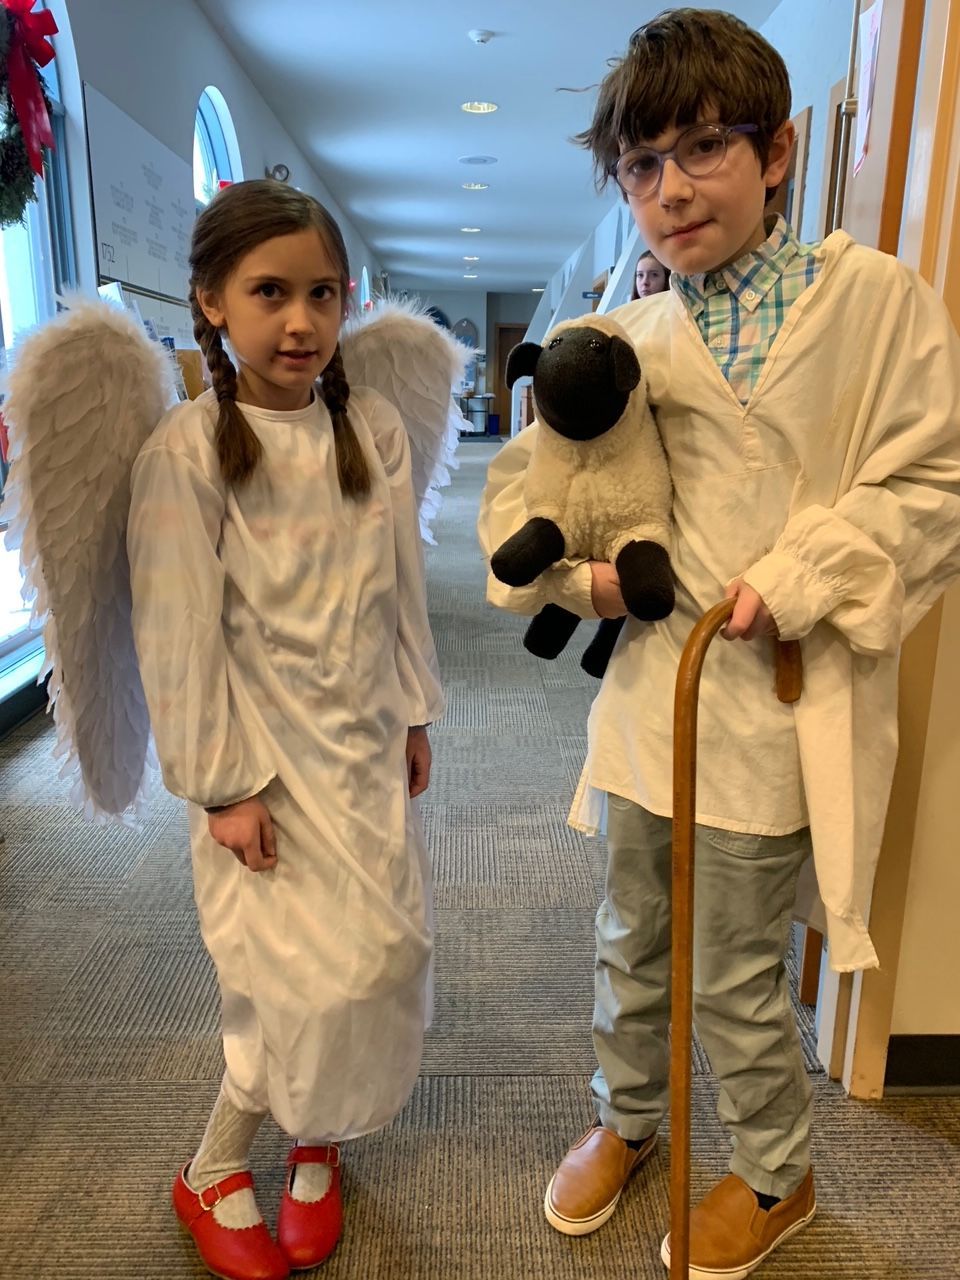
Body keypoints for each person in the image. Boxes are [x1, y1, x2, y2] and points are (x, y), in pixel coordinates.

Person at [478, 9, 960, 1278]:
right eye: (641, 165)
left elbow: (930, 488)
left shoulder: (874, 305)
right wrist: (588, 582)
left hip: (770, 697)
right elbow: (529, 504)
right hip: (652, 695)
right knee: (631, 931)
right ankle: (628, 1118)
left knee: (737, 963)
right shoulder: (621, 340)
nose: (671, 189)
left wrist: (794, 578)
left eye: (702, 148)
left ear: (780, 149)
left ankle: (773, 1169)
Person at [127, 179, 443, 1280]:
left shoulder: (372, 429)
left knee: (377, 953)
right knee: (287, 972)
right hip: (262, 762)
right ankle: (214, 1165)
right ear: (212, 300)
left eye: (322, 292)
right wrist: (221, 785)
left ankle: (319, 1137)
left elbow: (402, 587)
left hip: (357, 751)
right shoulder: (188, 449)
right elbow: (175, 631)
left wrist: (411, 707)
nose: (301, 320)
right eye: (270, 293)